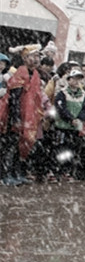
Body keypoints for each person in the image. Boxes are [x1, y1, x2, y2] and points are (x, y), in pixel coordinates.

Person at [0, 45, 44, 186]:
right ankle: (5, 174)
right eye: (33, 56)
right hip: (16, 116)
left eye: (38, 56)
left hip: (30, 116)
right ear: (25, 58)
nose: (36, 59)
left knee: (23, 147)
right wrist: (16, 118)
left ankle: (16, 173)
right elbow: (14, 98)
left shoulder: (36, 74)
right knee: (10, 147)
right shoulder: (20, 73)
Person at [52, 69, 85, 182]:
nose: (76, 81)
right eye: (74, 78)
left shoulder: (84, 95)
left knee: (71, 150)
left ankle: (66, 171)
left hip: (75, 128)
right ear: (69, 79)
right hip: (62, 126)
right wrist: (70, 119)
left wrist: (79, 119)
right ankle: (55, 171)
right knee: (59, 149)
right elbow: (60, 108)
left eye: (78, 79)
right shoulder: (62, 93)